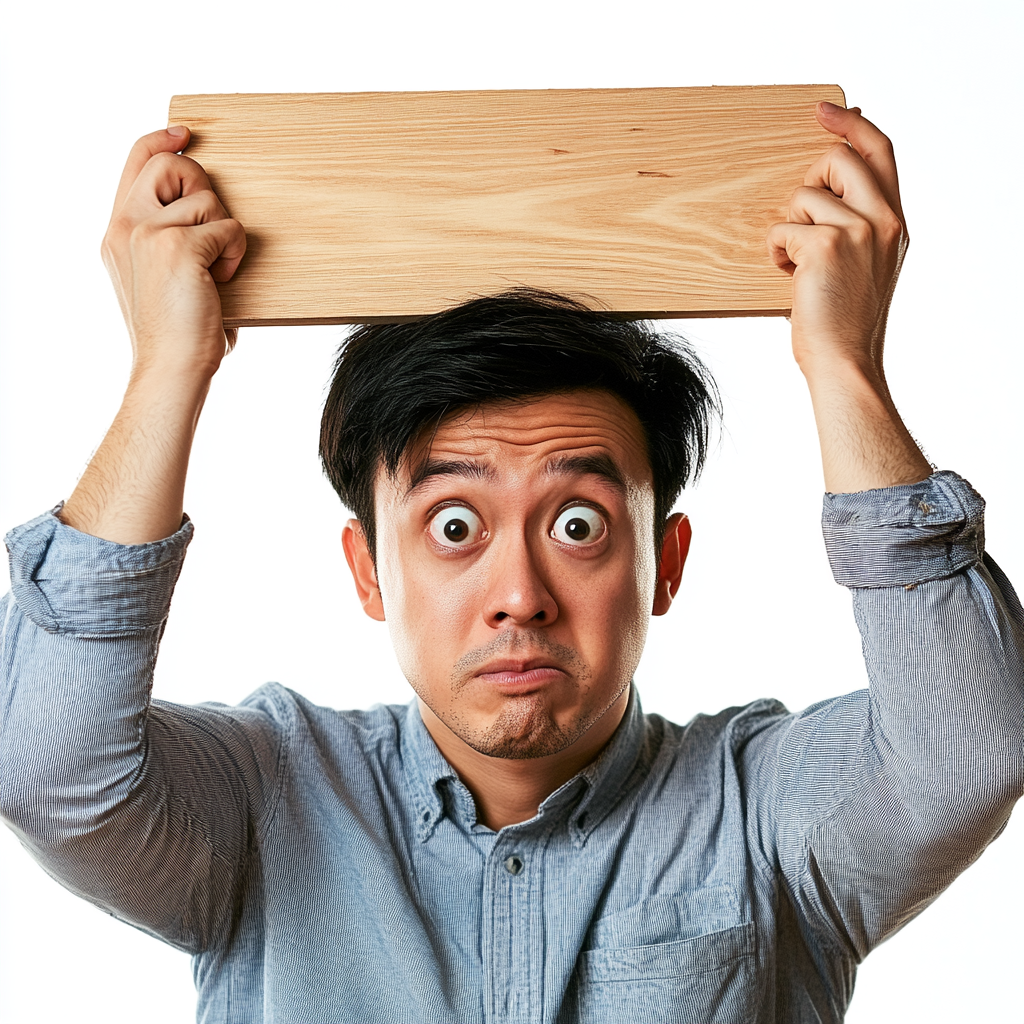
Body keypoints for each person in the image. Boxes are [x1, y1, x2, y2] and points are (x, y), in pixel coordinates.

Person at [0, 100, 1021, 1023]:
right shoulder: (272, 799)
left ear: (665, 562)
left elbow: (968, 755)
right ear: (367, 571)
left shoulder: (761, 813)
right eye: (454, 526)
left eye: (578, 524)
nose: (520, 597)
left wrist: (841, 366)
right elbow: (48, 770)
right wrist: (167, 368)